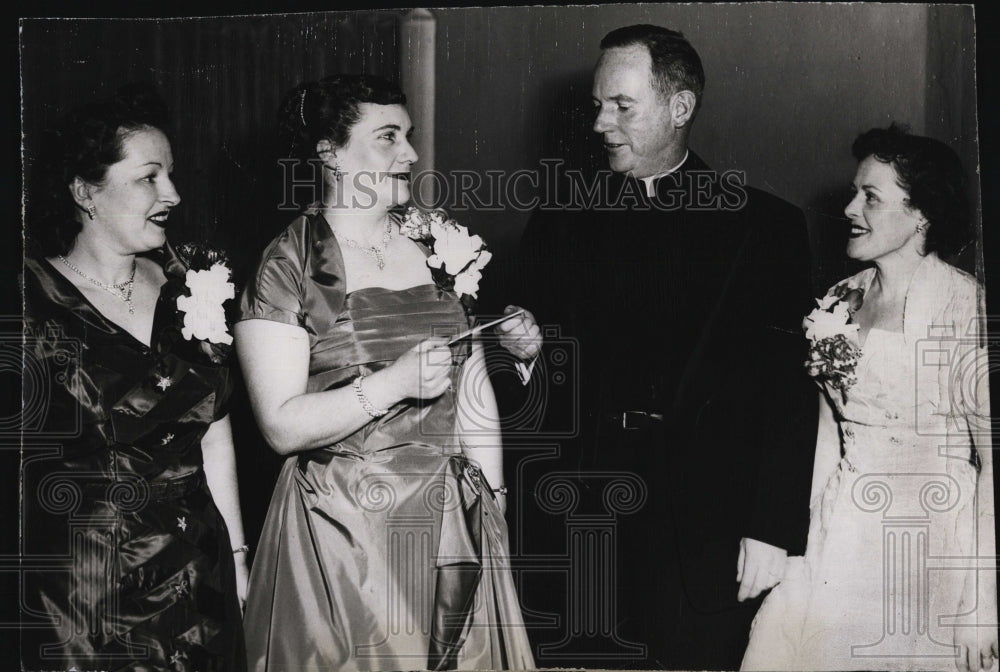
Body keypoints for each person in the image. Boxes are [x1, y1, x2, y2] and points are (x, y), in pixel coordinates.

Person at [490, 24, 818, 669]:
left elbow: (787, 386)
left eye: (621, 105)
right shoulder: (560, 221)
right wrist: (524, 355)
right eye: (596, 105)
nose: (599, 124)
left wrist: (772, 529)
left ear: (680, 107)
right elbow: (521, 376)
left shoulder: (766, 228)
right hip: (581, 518)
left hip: (708, 530)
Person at [237, 74, 536, 671]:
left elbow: (471, 383)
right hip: (348, 532)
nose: (411, 154)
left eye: (409, 135)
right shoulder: (288, 264)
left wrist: (495, 500)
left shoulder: (436, 243)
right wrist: (390, 386)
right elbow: (280, 427)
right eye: (388, 137)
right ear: (331, 154)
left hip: (455, 520)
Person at [741, 125, 998, 672]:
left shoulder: (965, 308)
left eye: (871, 198)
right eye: (854, 193)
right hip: (841, 530)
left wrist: (982, 604)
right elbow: (827, 436)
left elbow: (992, 464)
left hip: (930, 543)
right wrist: (795, 545)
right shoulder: (839, 300)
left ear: (921, 214)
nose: (851, 208)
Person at [20, 84, 248, 671]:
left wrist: (240, 558)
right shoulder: (28, 301)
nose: (171, 193)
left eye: (171, 175)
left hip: (199, 569)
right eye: (149, 177)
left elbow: (214, 434)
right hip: (83, 589)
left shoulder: (193, 283)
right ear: (86, 192)